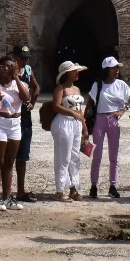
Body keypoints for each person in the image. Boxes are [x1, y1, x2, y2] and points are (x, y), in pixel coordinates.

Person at [0, 55, 30, 210]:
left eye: (9, 66)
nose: (5, 68)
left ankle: (7, 197)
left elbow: (26, 97)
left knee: (10, 163)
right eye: (2, 66)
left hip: (15, 124)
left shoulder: (20, 84)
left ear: (14, 69)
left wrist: (16, 78)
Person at [87, 56, 130, 199]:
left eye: (117, 67)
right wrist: (85, 123)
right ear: (107, 70)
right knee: (97, 155)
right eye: (114, 68)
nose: (117, 70)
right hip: (99, 119)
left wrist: (123, 109)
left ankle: (112, 185)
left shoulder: (121, 84)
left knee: (114, 155)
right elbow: (89, 103)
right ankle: (93, 186)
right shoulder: (98, 84)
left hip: (113, 120)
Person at [50, 60, 89, 201]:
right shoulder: (60, 89)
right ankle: (60, 190)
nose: (77, 73)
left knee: (74, 157)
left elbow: (80, 110)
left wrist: (85, 128)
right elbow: (55, 105)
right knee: (63, 157)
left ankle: (73, 188)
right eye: (74, 71)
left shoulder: (77, 90)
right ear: (67, 73)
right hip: (63, 123)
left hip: (76, 124)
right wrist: (71, 113)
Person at [13, 44, 40, 203]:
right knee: (8, 158)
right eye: (22, 58)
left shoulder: (28, 70)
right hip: (11, 117)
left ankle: (20, 190)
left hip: (25, 118)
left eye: (27, 58)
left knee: (22, 157)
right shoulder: (5, 68)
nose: (25, 61)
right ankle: (5, 192)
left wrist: (33, 102)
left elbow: (36, 87)